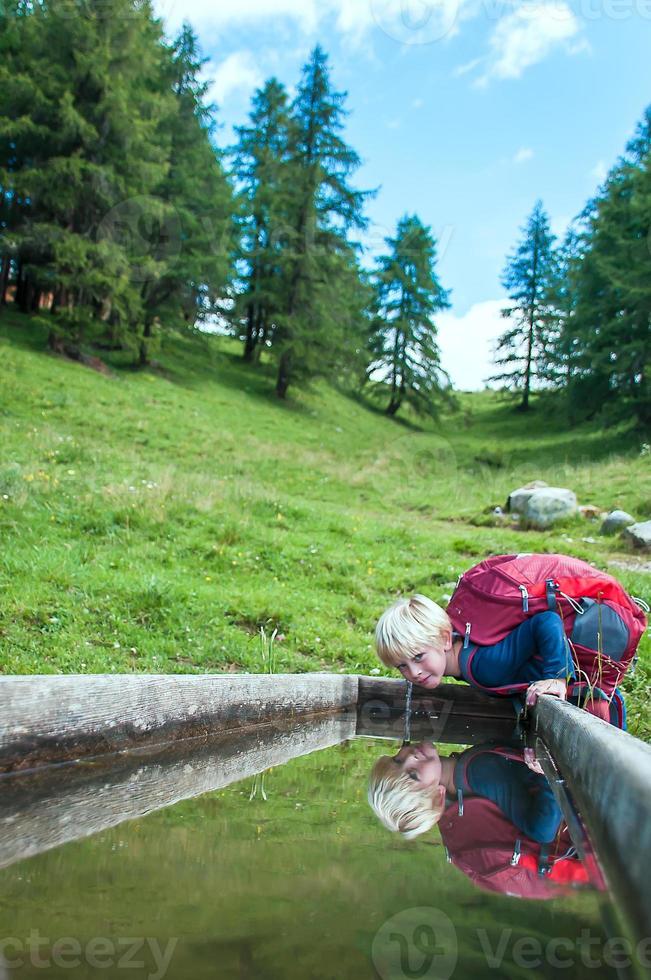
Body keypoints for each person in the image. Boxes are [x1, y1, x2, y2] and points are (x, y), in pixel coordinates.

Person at [368, 739, 604, 898]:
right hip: (593, 815)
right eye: (413, 774)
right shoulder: (476, 771)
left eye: (397, 761)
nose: (409, 758)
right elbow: (541, 830)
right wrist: (547, 767)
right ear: (437, 797)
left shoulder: (458, 797)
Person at [374, 593, 572, 708]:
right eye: (402, 666)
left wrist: (556, 678)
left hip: (589, 690)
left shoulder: (485, 666)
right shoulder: (469, 657)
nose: (414, 673)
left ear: (444, 638)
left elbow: (547, 621)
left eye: (418, 656)